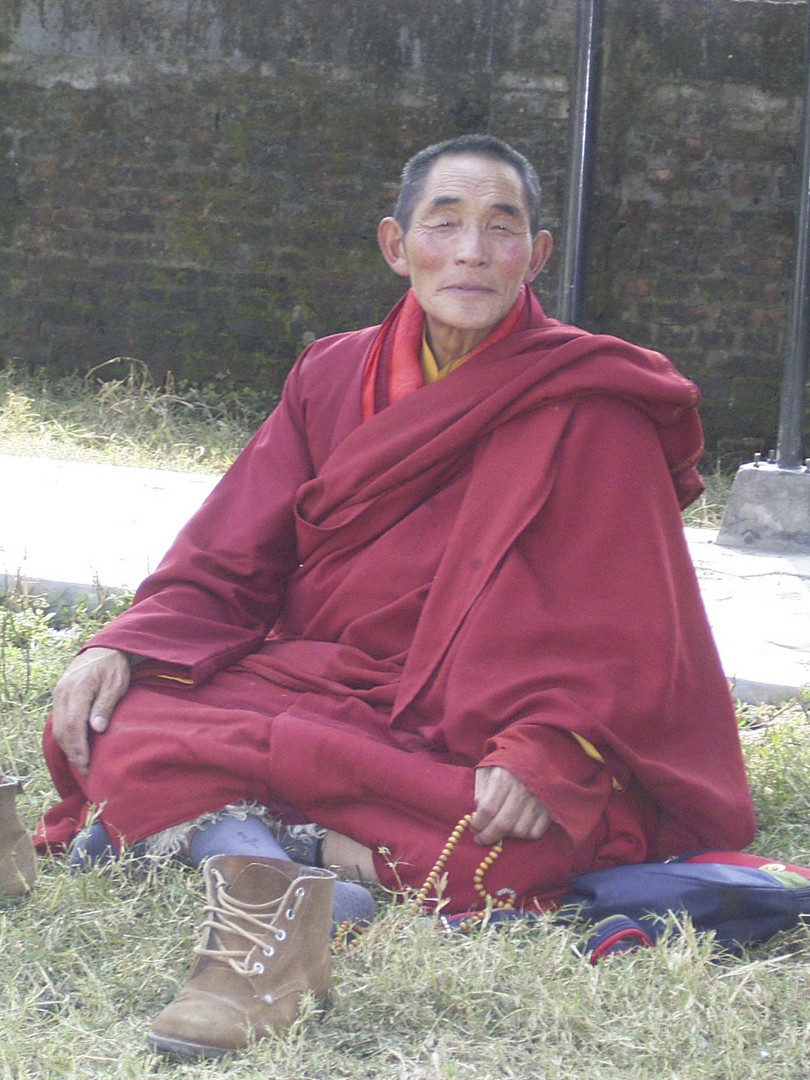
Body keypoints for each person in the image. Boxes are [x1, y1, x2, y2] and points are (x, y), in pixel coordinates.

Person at [37, 134, 755, 1058]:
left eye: (501, 230)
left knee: (526, 836)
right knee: (120, 718)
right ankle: (298, 865)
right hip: (320, 679)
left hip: (473, 712)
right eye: (443, 224)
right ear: (394, 244)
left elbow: (631, 624)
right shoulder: (333, 374)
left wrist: (548, 749)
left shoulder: (592, 401)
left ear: (536, 256)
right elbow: (231, 551)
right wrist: (124, 643)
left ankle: (236, 849)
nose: (469, 252)